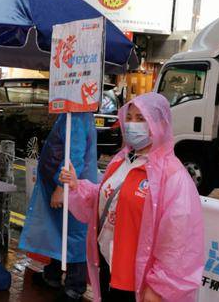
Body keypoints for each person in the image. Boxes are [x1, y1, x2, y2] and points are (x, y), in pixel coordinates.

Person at [59, 92, 204, 302]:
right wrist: (76, 186)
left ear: (159, 124)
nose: (131, 124)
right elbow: (105, 200)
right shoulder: (121, 161)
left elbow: (178, 240)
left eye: (141, 118)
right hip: (108, 266)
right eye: (129, 117)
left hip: (139, 282)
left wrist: (159, 287)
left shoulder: (172, 175)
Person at [19, 112, 98, 302]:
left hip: (72, 188)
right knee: (59, 232)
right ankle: (52, 275)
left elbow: (74, 158)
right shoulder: (71, 114)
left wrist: (61, 188)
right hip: (60, 185)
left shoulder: (77, 117)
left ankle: (74, 287)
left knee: (74, 236)